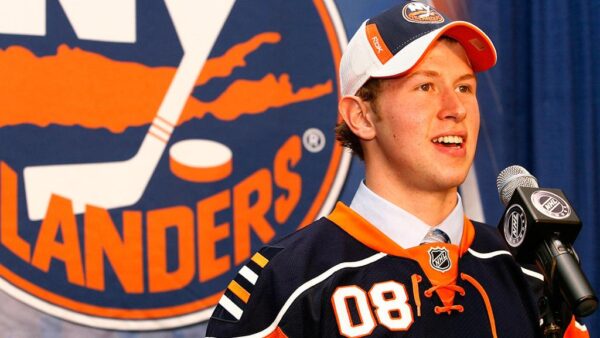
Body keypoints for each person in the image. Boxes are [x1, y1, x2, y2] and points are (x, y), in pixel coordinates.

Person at [206, 2, 589, 337]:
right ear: (361, 116)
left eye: (464, 88)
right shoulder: (290, 281)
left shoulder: (531, 271)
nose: (454, 109)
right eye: (425, 87)